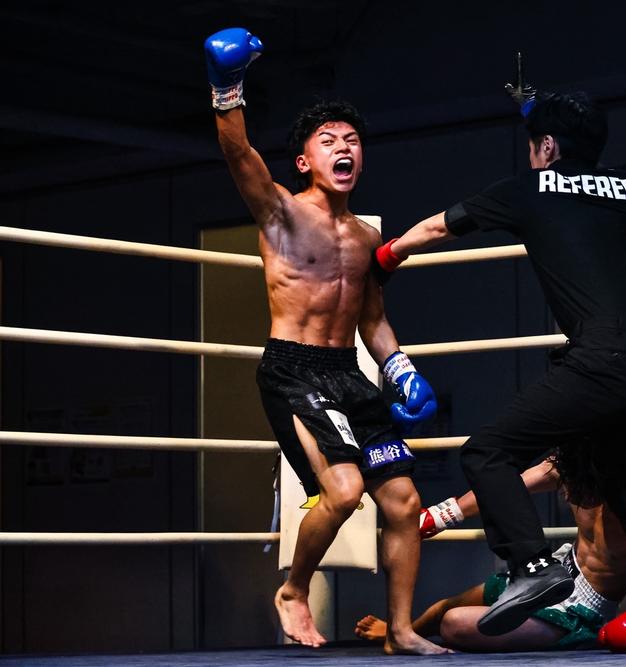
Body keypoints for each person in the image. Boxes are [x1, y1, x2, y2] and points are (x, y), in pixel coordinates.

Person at [373, 85, 626, 647]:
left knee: (485, 451)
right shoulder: (625, 188)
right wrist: (543, 115)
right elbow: (581, 170)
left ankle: (532, 565)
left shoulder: (527, 188)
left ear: (544, 147)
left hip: (601, 359)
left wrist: (385, 257)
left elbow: (440, 226)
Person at [205, 28, 445, 655]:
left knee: (403, 501)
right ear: (305, 162)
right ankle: (293, 590)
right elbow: (238, 154)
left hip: (348, 372)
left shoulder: (367, 237)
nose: (344, 148)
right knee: (342, 491)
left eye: (353, 140)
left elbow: (373, 321)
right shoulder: (281, 212)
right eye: (329, 140)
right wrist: (227, 89)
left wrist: (400, 369)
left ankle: (400, 631)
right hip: (293, 371)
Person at [356, 450, 626, 651]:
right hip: (553, 572)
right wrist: (440, 516)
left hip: (577, 613)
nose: (566, 496)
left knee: (453, 623)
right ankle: (399, 632)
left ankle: (578, 638)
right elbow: (504, 488)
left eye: (573, 490)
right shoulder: (573, 465)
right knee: (442, 608)